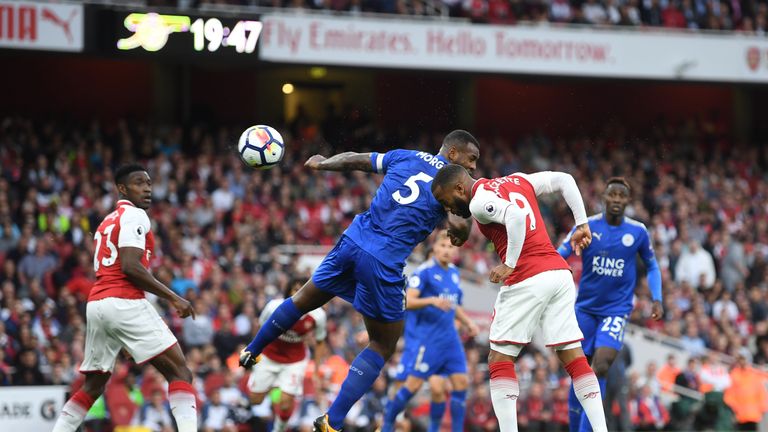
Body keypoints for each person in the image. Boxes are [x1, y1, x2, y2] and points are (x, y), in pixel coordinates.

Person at [240, 131, 481, 432]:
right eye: (471, 159)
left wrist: (324, 163)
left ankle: (252, 350)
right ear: (453, 153)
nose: (473, 167)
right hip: (384, 261)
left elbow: (357, 159)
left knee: (302, 300)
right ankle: (332, 420)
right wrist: (461, 228)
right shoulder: (452, 184)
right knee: (383, 344)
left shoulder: (404, 156)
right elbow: (460, 222)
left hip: (352, 241)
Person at [431, 165, 607, 432]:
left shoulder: (478, 201)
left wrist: (510, 264)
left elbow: (515, 215)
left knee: (499, 360)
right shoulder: (517, 180)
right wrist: (582, 224)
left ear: (459, 188)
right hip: (559, 274)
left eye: (447, 201)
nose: (450, 209)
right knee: (574, 358)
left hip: (528, 277)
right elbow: (565, 179)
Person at [52, 163, 198, 432]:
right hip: (123, 300)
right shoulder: (135, 215)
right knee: (180, 372)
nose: (147, 189)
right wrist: (173, 297)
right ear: (122, 188)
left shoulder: (106, 221)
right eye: (139, 183)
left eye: (149, 183)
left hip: (97, 304)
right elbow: (130, 267)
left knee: (93, 385)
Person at [557, 177, 663, 432]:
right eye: (612, 195)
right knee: (580, 371)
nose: (616, 199)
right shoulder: (587, 226)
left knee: (601, 366)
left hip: (616, 311)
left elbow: (652, 265)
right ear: (604, 198)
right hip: (585, 310)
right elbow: (560, 254)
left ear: (628, 200)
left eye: (621, 195)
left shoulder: (637, 231)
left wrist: (657, 297)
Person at [382, 230, 479, 432]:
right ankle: (387, 424)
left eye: (450, 247)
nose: (446, 250)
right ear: (434, 247)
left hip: (450, 339)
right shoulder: (423, 272)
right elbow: (408, 301)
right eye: (442, 246)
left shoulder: (454, 273)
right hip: (428, 340)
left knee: (461, 383)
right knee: (413, 385)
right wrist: (431, 301)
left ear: (455, 251)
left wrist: (468, 322)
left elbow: (453, 304)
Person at [247, 278, 328, 432]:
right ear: (289, 291)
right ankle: (273, 386)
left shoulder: (318, 316)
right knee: (255, 400)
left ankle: (279, 429)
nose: (301, 293)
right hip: (269, 356)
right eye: (296, 289)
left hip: (294, 361)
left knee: (285, 403)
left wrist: (316, 370)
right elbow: (260, 327)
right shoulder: (274, 306)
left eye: (304, 289)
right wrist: (254, 350)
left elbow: (320, 341)